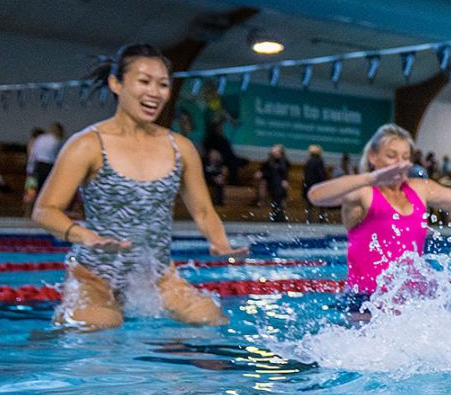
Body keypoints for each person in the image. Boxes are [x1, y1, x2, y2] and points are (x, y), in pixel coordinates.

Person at [30, 44, 247, 331]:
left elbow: (204, 210)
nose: (155, 93)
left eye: (163, 85)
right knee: (98, 325)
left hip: (157, 276)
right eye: (144, 82)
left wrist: (219, 241)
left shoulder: (180, 148)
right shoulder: (88, 144)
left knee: (209, 319)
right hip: (95, 276)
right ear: (116, 83)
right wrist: (84, 236)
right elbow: (45, 210)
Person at [305, 124, 451, 307]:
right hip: (366, 299)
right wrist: (372, 177)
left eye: (405, 157)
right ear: (373, 157)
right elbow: (316, 196)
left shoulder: (419, 189)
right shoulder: (365, 192)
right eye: (392, 156)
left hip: (411, 298)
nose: (400, 163)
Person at [260, 145, 291, 222]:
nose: (274, 152)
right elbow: (267, 171)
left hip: (279, 185)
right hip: (272, 184)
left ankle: (279, 217)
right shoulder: (270, 162)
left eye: (276, 151)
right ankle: (276, 217)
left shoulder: (284, 162)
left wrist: (285, 180)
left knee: (279, 201)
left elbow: (284, 172)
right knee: (275, 201)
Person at [302, 145, 329, 222]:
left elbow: (306, 175)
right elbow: (321, 174)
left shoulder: (308, 161)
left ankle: (309, 219)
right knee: (322, 203)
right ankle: (322, 219)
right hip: (318, 185)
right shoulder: (319, 161)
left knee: (310, 204)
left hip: (309, 185)